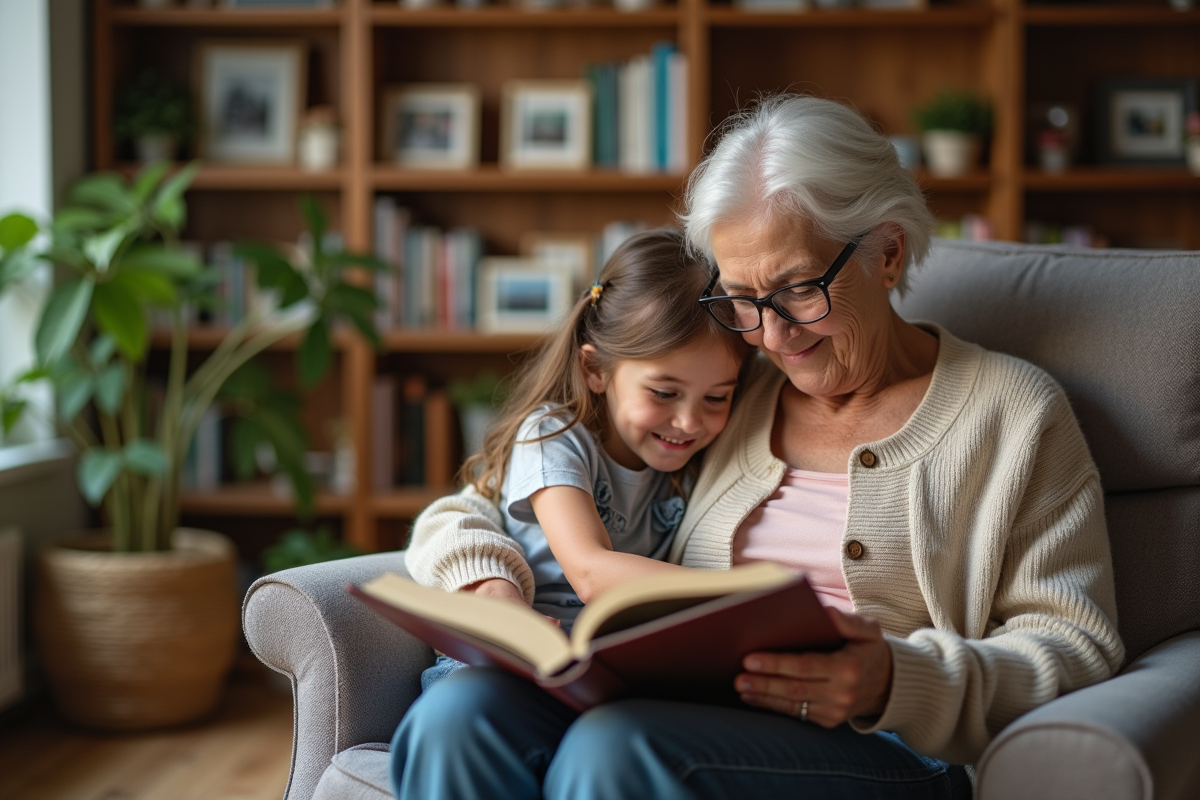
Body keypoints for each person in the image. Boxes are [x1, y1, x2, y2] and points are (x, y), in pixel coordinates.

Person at [391, 95, 1125, 799]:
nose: (773, 337)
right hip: (674, 706)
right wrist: (484, 579)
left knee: (618, 747)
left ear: (889, 253)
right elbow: (486, 505)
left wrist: (895, 679)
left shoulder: (1014, 414)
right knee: (458, 719)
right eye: (741, 300)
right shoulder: (728, 396)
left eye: (799, 291)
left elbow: (1078, 647)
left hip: (883, 745)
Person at [407, 227, 754, 689]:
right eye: (664, 392)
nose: (690, 422)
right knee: (466, 705)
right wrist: (744, 601)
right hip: (513, 654)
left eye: (716, 397)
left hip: (607, 669)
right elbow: (589, 570)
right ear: (595, 369)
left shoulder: (695, 461)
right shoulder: (554, 435)